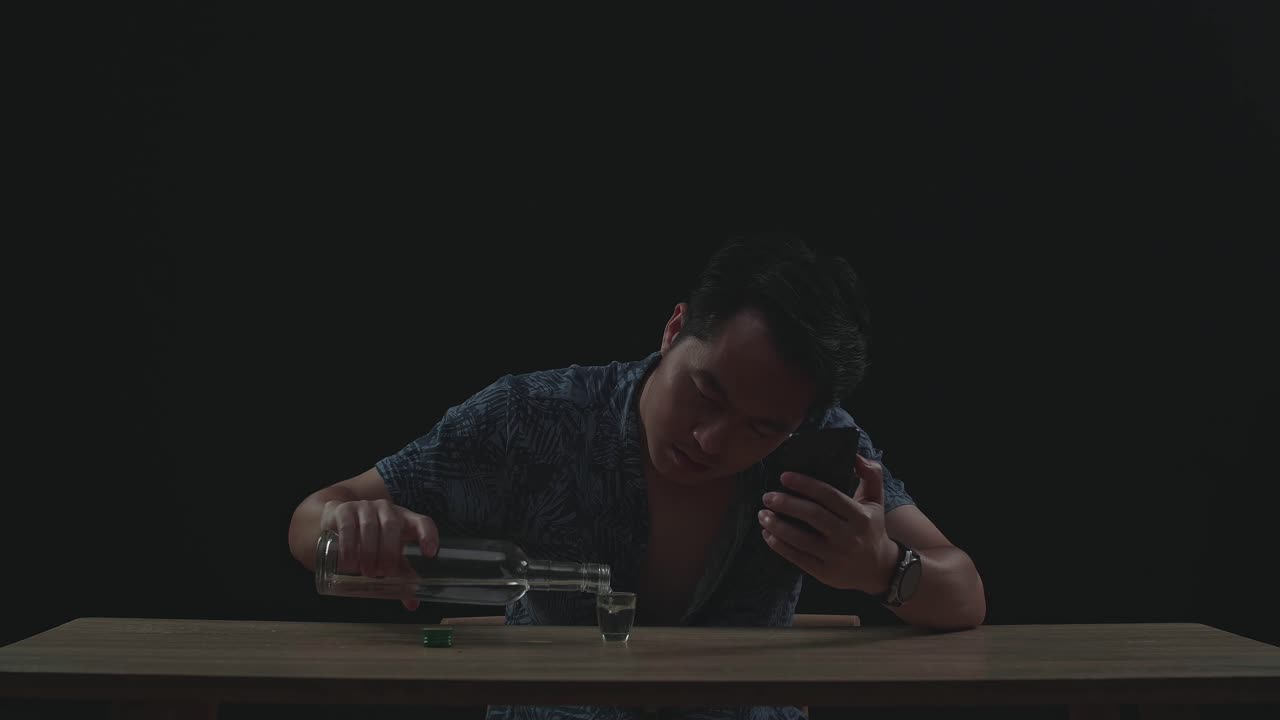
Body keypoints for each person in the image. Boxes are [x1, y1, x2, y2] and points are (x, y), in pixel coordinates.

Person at [287, 234, 986, 720]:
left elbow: (965, 594)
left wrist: (883, 567)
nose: (714, 440)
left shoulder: (827, 450)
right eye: (707, 392)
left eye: (762, 428)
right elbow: (311, 518)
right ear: (675, 328)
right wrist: (354, 525)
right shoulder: (536, 415)